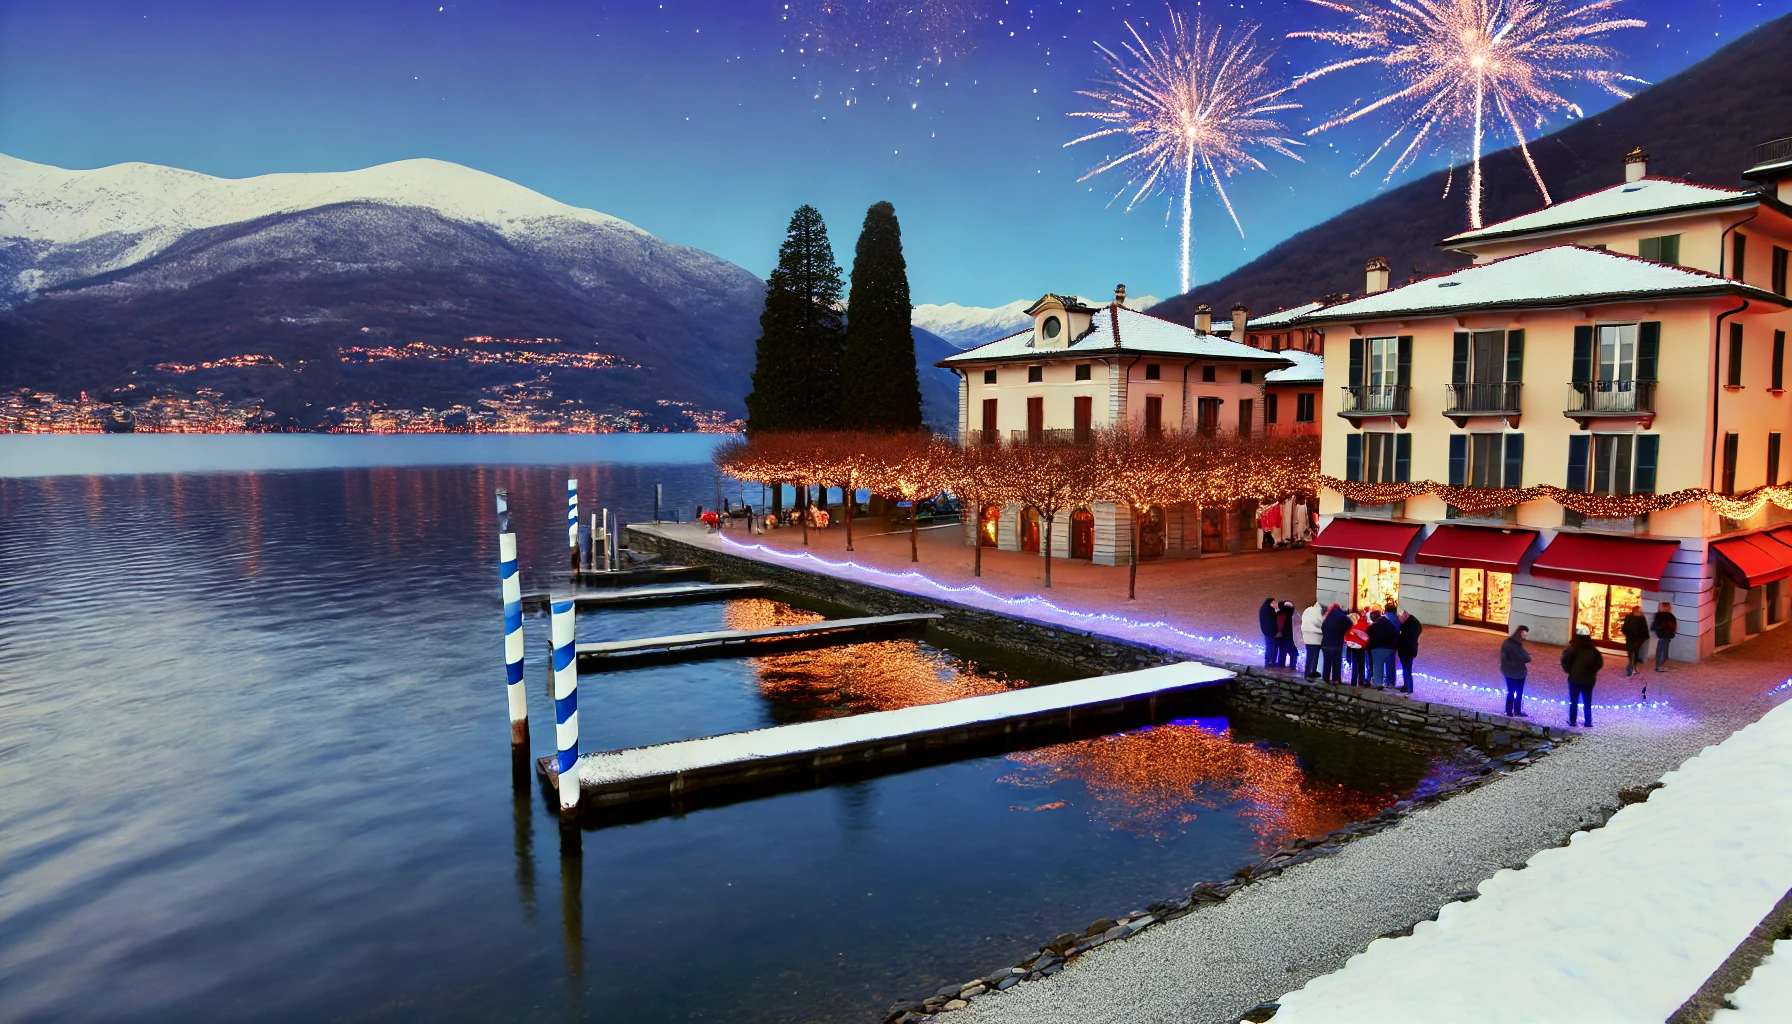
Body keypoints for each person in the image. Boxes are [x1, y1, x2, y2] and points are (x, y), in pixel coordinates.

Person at [1561, 627, 1604, 728]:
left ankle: (1572, 721)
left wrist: (1569, 670)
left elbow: (1565, 661)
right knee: (1587, 701)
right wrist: (1592, 671)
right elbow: (1599, 664)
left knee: (1573, 700)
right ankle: (1588, 722)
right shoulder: (1594, 651)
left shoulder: (1572, 649)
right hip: (1588, 679)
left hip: (1574, 678)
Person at [1499, 625, 1532, 717]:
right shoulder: (1517, 646)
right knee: (1519, 692)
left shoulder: (1506, 643)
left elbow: (1504, 657)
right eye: (1524, 635)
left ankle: (1509, 711)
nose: (1525, 637)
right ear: (1520, 633)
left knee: (1510, 691)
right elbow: (1527, 659)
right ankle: (1517, 711)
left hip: (1507, 672)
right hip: (1519, 673)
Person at [1366, 608, 1400, 689]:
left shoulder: (1373, 627)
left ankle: (1377, 684)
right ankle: (1390, 683)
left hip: (1378, 649)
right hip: (1390, 648)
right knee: (1390, 667)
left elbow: (1370, 638)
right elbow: (1396, 633)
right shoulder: (1388, 622)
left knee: (1377, 666)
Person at [1394, 607, 1422, 693]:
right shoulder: (1413, 622)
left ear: (1405, 615)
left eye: (1400, 617)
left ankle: (1409, 688)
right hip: (1410, 649)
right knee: (1406, 669)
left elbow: (1404, 638)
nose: (1399, 619)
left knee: (1407, 670)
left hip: (1406, 650)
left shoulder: (1408, 626)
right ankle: (1406, 686)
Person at [1321, 602, 1350, 684]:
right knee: (1336, 663)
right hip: (1337, 643)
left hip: (1326, 643)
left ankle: (1325, 678)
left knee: (1327, 662)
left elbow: (1323, 628)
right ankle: (1336, 679)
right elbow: (1350, 624)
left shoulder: (1327, 617)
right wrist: (1343, 633)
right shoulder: (1342, 616)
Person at [1620, 607, 1650, 677]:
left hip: (1632, 639)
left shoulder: (1629, 618)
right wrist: (1645, 637)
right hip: (1636, 639)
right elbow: (1644, 629)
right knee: (1633, 655)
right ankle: (1631, 669)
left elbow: (1624, 629)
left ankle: (1632, 668)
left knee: (1632, 654)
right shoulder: (1641, 618)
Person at [1300, 600, 1326, 679]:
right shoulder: (1317, 611)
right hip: (1315, 636)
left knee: (1310, 656)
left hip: (1307, 636)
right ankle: (1310, 672)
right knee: (1314, 656)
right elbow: (1317, 622)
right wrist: (1323, 621)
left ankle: (1308, 672)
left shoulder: (1307, 610)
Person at [1344, 611, 1370, 686]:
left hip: (1354, 646)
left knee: (1354, 664)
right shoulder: (1366, 625)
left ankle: (1353, 681)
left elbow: (1349, 635)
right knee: (1362, 664)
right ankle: (1361, 681)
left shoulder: (1354, 626)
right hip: (1362, 647)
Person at [1652, 602, 1678, 673]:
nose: (1666, 608)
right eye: (1664, 607)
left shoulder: (1669, 616)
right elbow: (1654, 626)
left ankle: (1660, 665)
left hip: (1666, 635)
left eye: (1667, 607)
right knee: (1662, 651)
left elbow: (1674, 626)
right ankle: (1658, 666)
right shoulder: (1661, 616)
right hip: (1663, 635)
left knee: (1664, 652)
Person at [1277, 601, 1300, 668]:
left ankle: (1281, 667)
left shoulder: (1280, 614)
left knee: (1283, 652)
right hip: (1288, 637)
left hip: (1283, 637)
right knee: (1293, 652)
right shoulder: (1289, 616)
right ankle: (1292, 666)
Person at [1259, 598, 1280, 667]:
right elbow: (1272, 622)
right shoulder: (1269, 610)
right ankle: (1269, 663)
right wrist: (1275, 632)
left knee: (1269, 647)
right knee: (1270, 648)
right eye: (1274, 602)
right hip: (1270, 632)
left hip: (1266, 631)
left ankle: (1268, 662)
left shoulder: (1264, 608)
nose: (1276, 604)